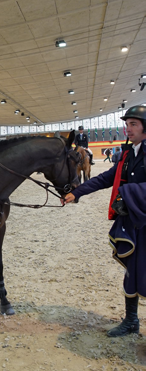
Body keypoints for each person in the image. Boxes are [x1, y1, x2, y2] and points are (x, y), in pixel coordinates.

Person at [61, 105, 146, 337]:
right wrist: (77, 192)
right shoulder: (128, 154)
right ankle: (131, 321)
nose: (128, 129)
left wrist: (127, 194)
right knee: (132, 271)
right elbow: (107, 178)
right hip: (133, 223)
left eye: (133, 124)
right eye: (127, 124)